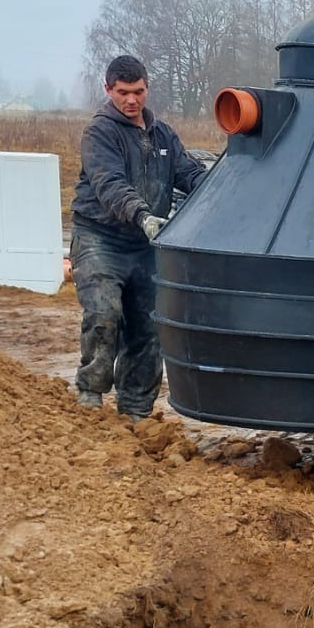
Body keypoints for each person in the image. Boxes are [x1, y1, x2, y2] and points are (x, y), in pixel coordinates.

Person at [69, 54, 207, 418]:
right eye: (123, 92)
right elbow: (109, 184)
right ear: (108, 89)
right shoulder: (100, 133)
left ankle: (135, 408)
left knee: (149, 326)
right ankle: (91, 391)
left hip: (146, 245)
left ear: (148, 88)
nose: (132, 100)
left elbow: (189, 174)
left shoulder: (163, 135)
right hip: (100, 238)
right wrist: (143, 215)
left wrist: (220, 187)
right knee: (104, 313)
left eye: (139, 92)